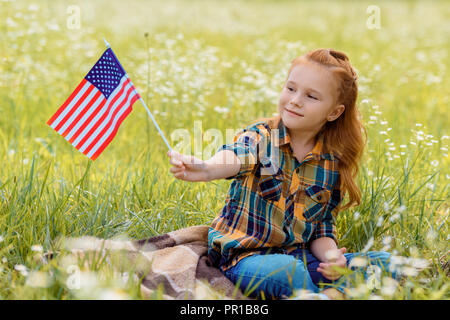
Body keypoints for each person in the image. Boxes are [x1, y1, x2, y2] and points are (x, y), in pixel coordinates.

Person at [167, 48, 398, 299]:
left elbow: (320, 228)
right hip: (247, 260)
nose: (295, 100)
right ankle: (333, 295)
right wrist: (206, 168)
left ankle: (328, 295)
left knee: (385, 264)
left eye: (311, 96)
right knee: (288, 272)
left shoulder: (330, 162)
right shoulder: (262, 136)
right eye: (291, 88)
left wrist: (333, 258)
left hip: (303, 259)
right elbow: (237, 155)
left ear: (334, 112)